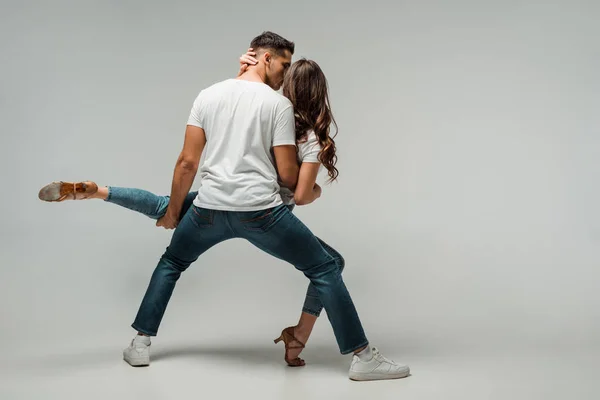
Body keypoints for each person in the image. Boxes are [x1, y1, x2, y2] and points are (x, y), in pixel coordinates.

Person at [38, 31, 409, 381]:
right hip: (261, 214)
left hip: (209, 210)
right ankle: (363, 357)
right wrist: (311, 185)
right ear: (266, 58)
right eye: (282, 66)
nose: (284, 75)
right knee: (326, 268)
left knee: (171, 259)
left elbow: (187, 162)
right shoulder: (278, 105)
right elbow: (285, 176)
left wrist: (172, 214)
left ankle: (139, 344)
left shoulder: (207, 95)